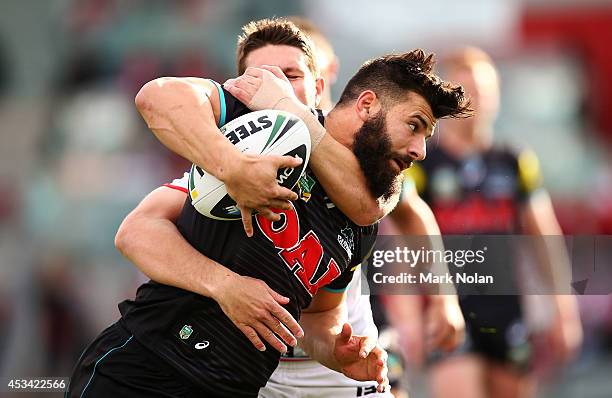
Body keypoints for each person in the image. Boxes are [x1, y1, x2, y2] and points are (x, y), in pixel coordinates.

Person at [67, 18, 471, 398]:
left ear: (318, 83)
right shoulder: (259, 131)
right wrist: (233, 169)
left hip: (239, 386)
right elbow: (156, 97)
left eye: (291, 75)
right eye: (414, 126)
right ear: (366, 105)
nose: (420, 151)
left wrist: (337, 350)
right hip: (150, 368)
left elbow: (319, 317)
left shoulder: (366, 218)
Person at [402, 47, 582, 398]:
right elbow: (402, 242)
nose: (477, 101)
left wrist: (564, 309)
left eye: (485, 92)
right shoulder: (423, 165)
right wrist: (408, 315)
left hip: (506, 311)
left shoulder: (514, 161)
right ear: (448, 99)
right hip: (450, 310)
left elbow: (544, 236)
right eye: (466, 92)